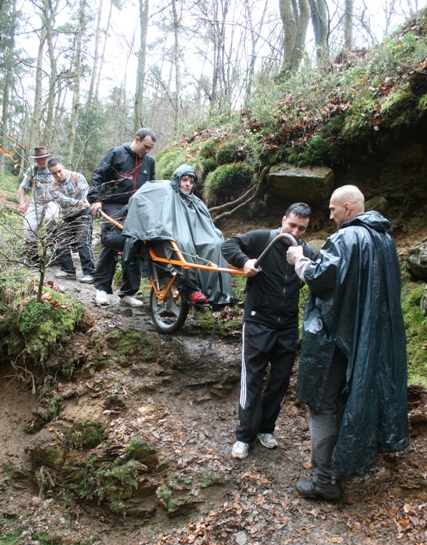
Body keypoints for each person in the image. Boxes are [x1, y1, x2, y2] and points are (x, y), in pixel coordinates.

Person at [286, 185, 408, 500]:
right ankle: (340, 466)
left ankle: (324, 480)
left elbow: (322, 278)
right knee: (345, 399)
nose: (330, 215)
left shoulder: (346, 237)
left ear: (348, 208)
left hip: (339, 340)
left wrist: (299, 260)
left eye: (333, 209)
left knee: (322, 403)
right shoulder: (384, 239)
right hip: (366, 340)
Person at [221, 203, 314, 460]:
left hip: (287, 325)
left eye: (301, 228)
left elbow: (320, 272)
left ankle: (266, 429)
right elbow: (228, 245)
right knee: (252, 377)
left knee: (280, 380)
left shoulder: (305, 250)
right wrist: (245, 261)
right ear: (283, 219)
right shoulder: (263, 238)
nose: (295, 231)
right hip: (257, 320)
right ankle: (244, 436)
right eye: (292, 225)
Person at [123, 164, 234, 307]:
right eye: (184, 180)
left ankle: (216, 293)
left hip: (194, 239)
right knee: (182, 244)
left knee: (215, 243)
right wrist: (154, 227)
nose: (188, 184)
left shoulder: (196, 202)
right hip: (167, 240)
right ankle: (192, 290)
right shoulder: (164, 190)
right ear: (177, 179)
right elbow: (139, 198)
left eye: (191, 181)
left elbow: (206, 226)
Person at [87, 128, 156, 306]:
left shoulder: (149, 162)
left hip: (136, 208)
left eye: (150, 148)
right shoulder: (116, 154)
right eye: (145, 146)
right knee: (112, 242)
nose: (147, 151)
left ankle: (128, 292)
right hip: (114, 205)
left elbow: (151, 188)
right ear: (137, 139)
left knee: (135, 245)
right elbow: (98, 175)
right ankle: (101, 289)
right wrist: (94, 200)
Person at [48, 159, 96, 283]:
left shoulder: (77, 177)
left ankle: (89, 272)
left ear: (63, 168)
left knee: (83, 241)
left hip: (83, 214)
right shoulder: (52, 185)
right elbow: (60, 199)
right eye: (54, 173)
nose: (58, 175)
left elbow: (85, 192)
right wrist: (75, 202)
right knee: (60, 240)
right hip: (66, 216)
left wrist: (81, 202)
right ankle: (68, 270)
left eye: (59, 171)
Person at [18, 146, 60, 266]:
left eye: (44, 159)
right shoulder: (32, 170)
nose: (42, 162)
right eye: (39, 160)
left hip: (53, 201)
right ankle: (33, 257)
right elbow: (22, 187)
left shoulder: (54, 168)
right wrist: (22, 202)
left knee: (51, 218)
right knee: (28, 227)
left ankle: (54, 252)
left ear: (47, 157)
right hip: (36, 203)